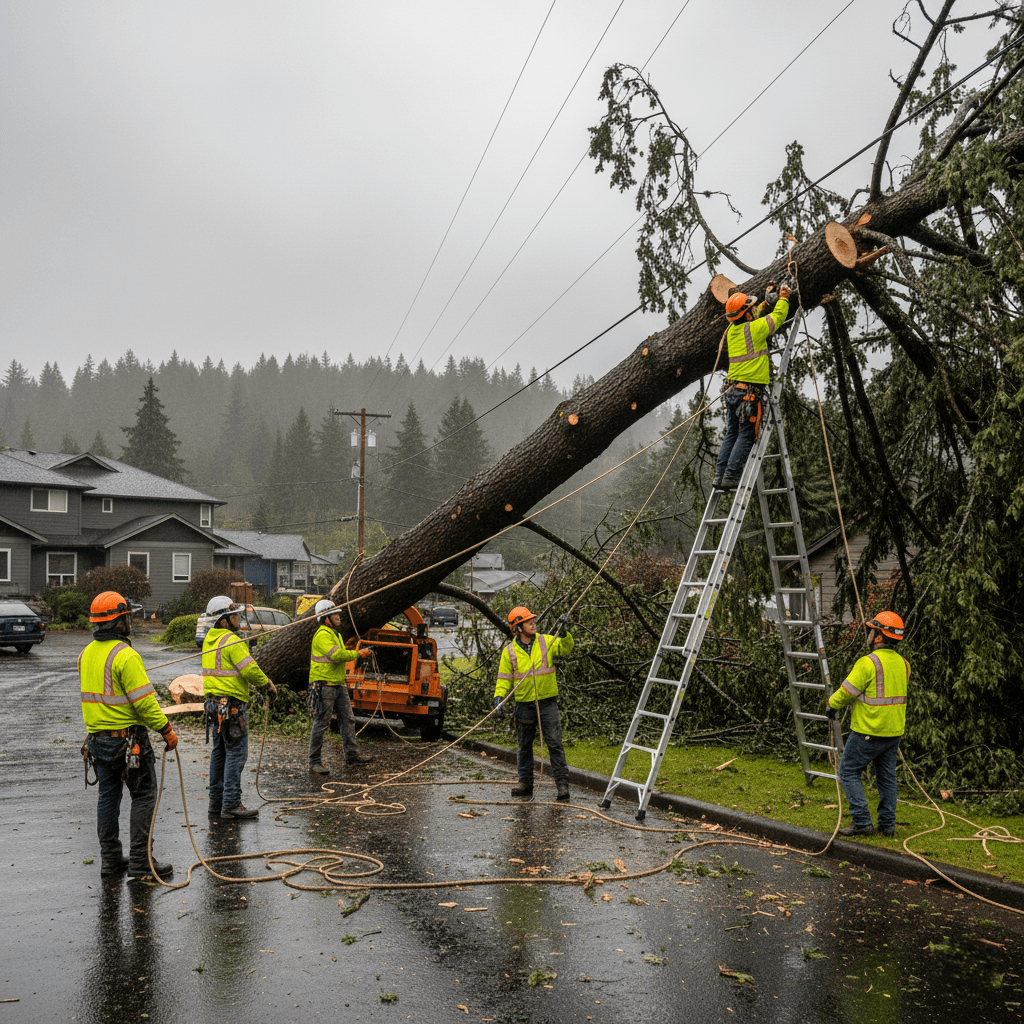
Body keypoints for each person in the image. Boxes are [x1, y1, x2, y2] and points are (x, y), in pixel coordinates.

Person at [79, 591, 177, 880]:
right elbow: (145, 703)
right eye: (128, 617)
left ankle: (110, 860)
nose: (131, 621)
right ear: (119, 620)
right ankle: (140, 861)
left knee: (107, 797)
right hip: (129, 742)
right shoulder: (126, 655)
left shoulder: (85, 654)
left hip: (98, 742)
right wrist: (166, 730)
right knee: (144, 795)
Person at [826, 611, 910, 837]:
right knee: (886, 777)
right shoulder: (904, 664)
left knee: (848, 770)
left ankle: (862, 821)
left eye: (872, 630)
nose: (869, 634)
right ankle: (887, 826)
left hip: (868, 731)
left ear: (880, 636)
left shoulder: (868, 663)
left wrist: (831, 705)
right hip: (893, 732)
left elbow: (846, 693)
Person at [202, 595, 278, 820]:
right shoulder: (231, 641)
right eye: (233, 615)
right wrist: (267, 684)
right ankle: (232, 804)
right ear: (223, 621)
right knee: (236, 753)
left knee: (219, 753)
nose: (238, 618)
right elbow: (250, 669)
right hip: (232, 707)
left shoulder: (210, 640)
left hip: (214, 705)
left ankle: (216, 803)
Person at [714, 284, 792, 489]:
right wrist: (783, 298)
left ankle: (720, 475)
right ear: (747, 316)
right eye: (751, 309)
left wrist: (766, 302)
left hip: (732, 391)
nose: (753, 311)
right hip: (748, 393)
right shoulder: (755, 329)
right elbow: (777, 318)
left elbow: (753, 315)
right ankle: (731, 477)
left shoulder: (732, 331)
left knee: (732, 432)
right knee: (746, 434)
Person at [492, 606, 574, 801]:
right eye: (528, 622)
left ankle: (562, 785)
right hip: (523, 706)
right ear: (518, 628)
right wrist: (499, 700)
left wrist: (565, 633)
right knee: (524, 746)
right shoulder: (509, 652)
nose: (533, 623)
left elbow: (566, 648)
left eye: (532, 620)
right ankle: (525, 783)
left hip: (547, 703)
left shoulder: (547, 641)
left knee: (554, 744)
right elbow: (504, 679)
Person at [308, 599, 373, 775]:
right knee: (321, 723)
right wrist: (358, 653)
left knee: (348, 720)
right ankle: (314, 762)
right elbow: (336, 655)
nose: (339, 616)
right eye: (335, 614)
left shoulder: (334, 634)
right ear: (326, 617)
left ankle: (352, 755)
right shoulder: (322, 634)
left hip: (337, 684)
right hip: (324, 685)